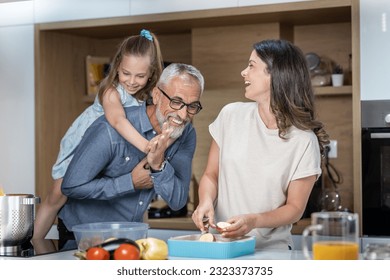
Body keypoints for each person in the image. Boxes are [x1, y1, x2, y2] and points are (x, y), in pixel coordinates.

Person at [192, 39, 329, 250]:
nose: (243, 72)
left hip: (271, 251)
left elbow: (294, 208)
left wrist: (254, 221)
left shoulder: (303, 140)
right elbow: (211, 175)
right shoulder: (230, 115)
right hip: (221, 245)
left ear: (275, 75)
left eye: (251, 66)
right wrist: (205, 202)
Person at [33, 29, 165, 239]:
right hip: (82, 147)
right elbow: (117, 120)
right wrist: (148, 147)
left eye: (140, 76)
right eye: (125, 73)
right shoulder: (110, 91)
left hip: (109, 155)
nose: (131, 81)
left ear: (151, 74)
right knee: (57, 194)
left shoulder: (147, 98)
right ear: (117, 67)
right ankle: (37, 240)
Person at [57, 63, 204, 248]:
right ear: (157, 95)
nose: (183, 115)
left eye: (192, 106)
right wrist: (130, 182)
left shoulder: (186, 134)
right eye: (176, 101)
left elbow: (178, 201)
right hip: (80, 238)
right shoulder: (109, 129)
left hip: (129, 239)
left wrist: (159, 166)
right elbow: (70, 186)